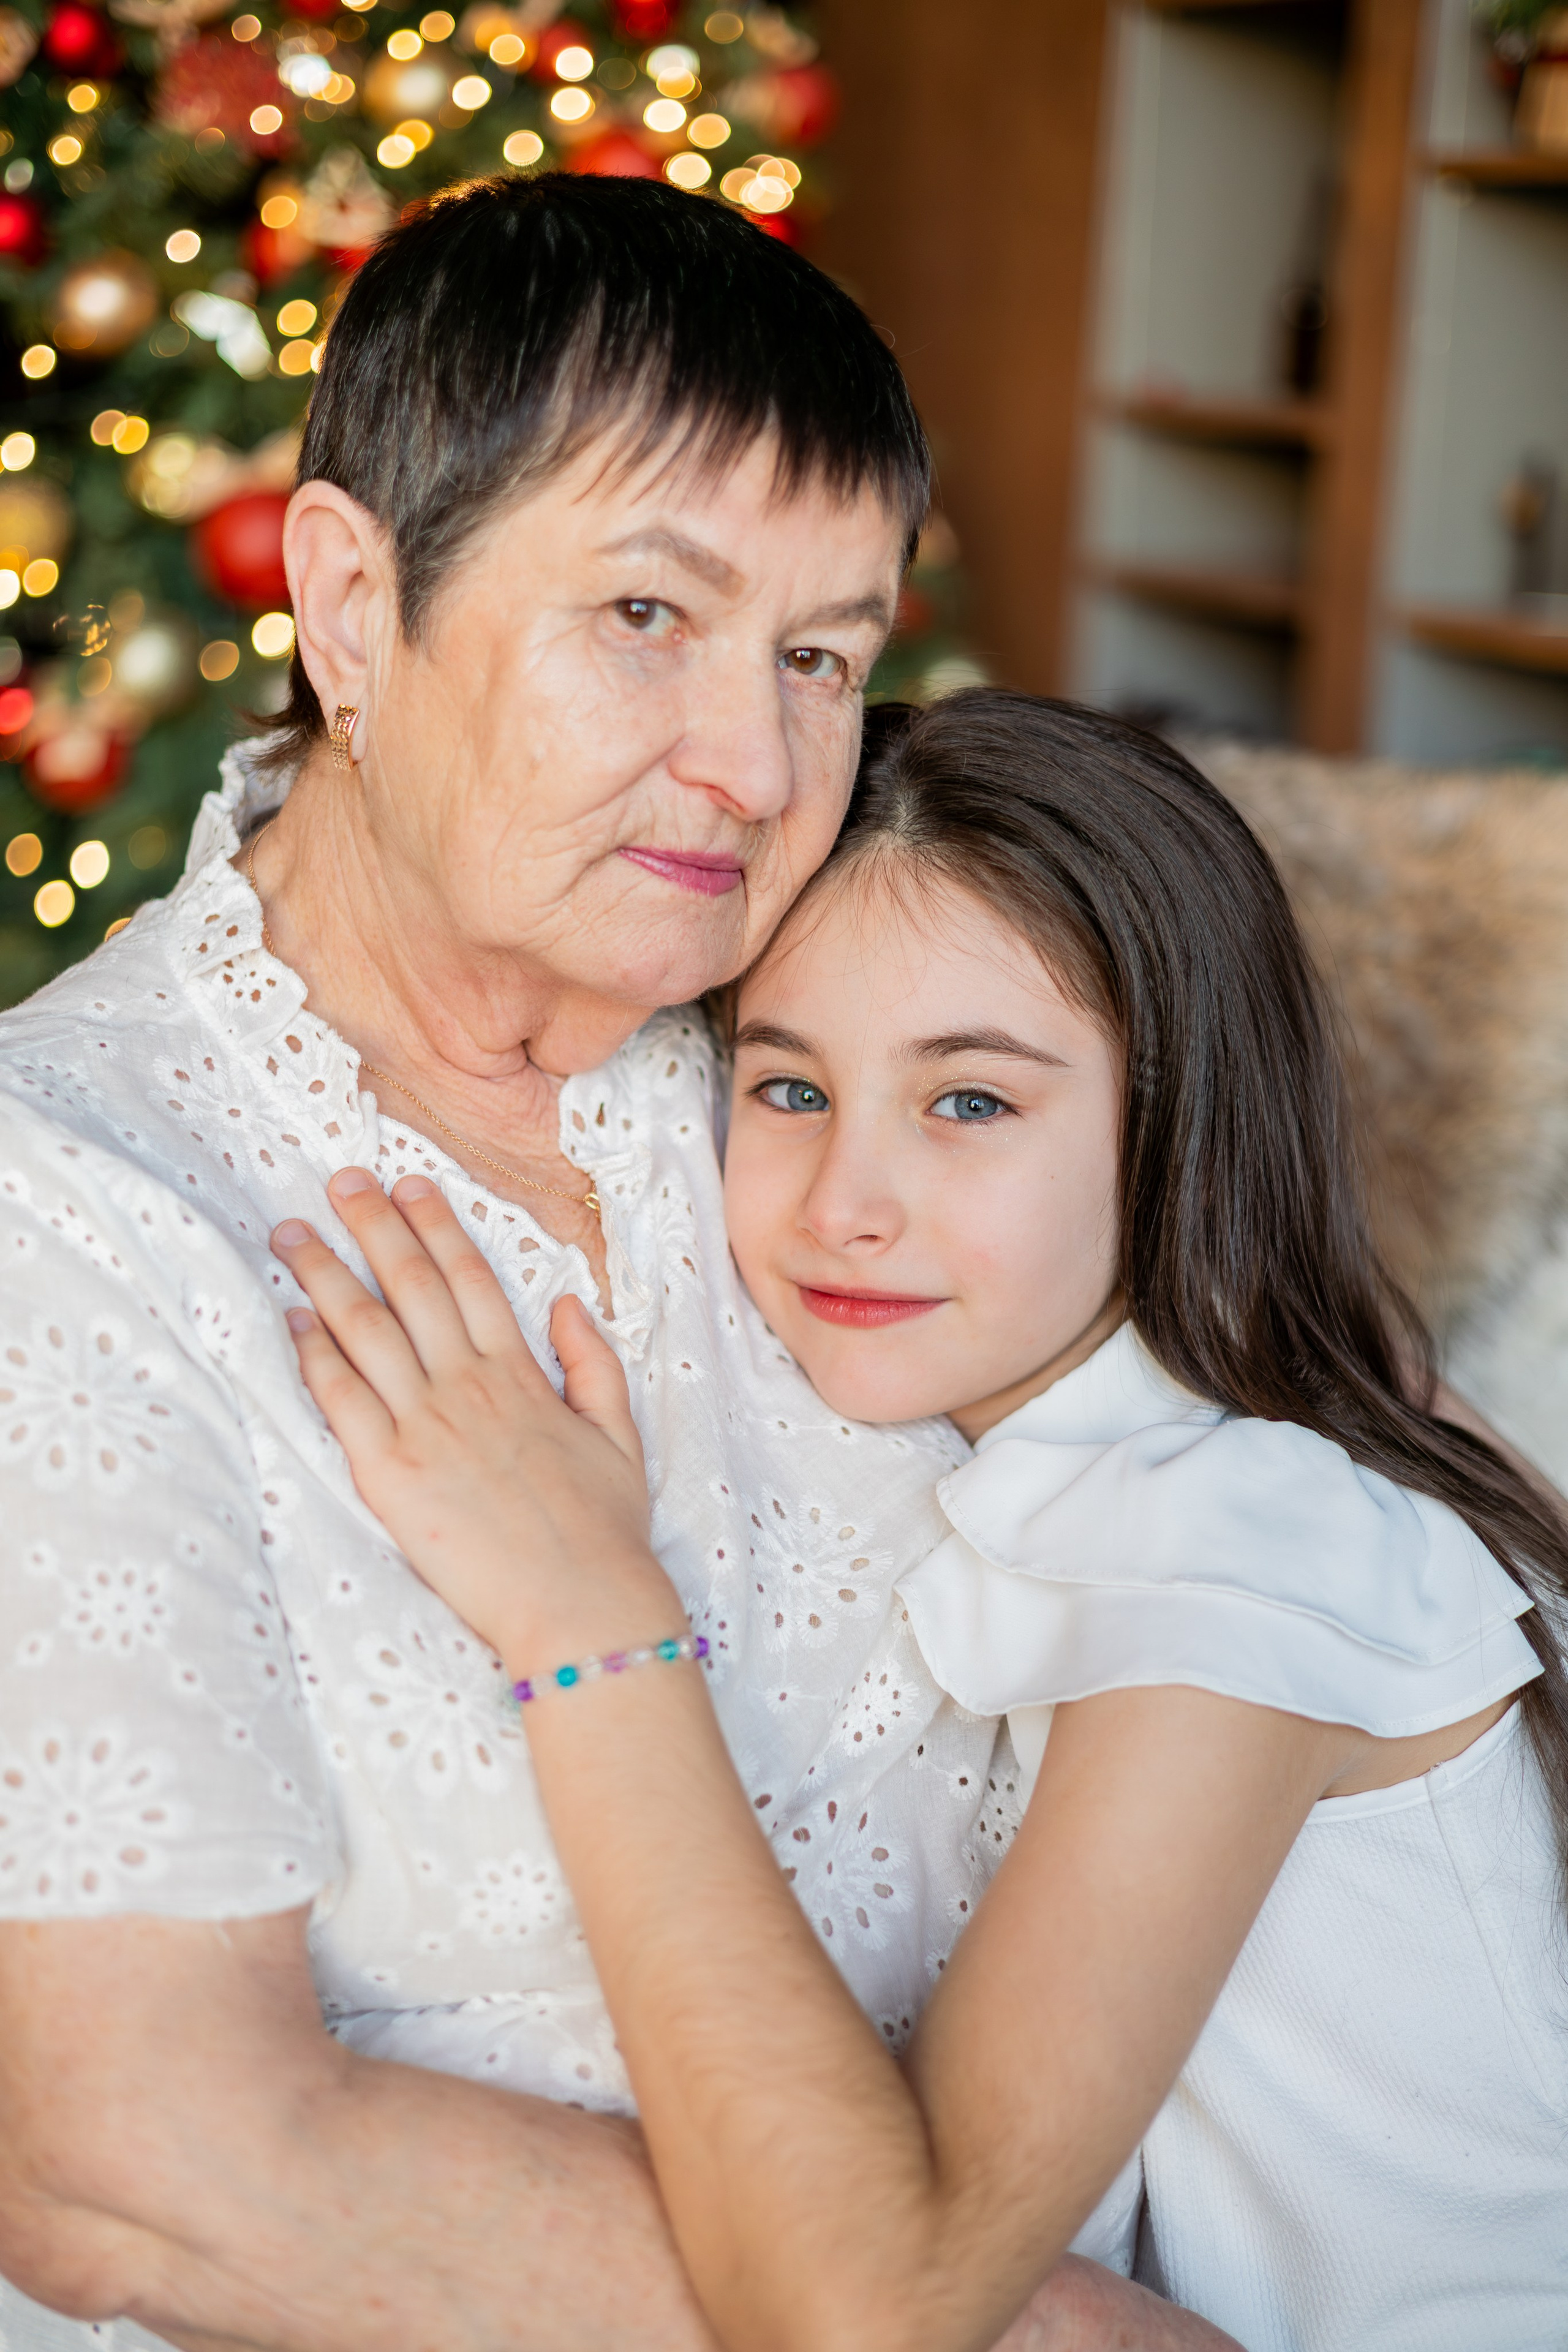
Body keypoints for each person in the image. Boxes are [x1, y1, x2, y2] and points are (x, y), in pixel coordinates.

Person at [0, 182, 1219, 2351]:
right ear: (354, 608)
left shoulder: (840, 1049)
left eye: (824, 656)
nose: (758, 771)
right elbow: (143, 2163)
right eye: (648, 614)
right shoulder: (70, 1199)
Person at [277, 691, 1568, 2352]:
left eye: (971, 1102)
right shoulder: (1197, 1438)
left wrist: (589, 1623)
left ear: (1176, 1122)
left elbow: (871, 2307)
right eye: (792, 1090)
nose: (846, 1206)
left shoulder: (1248, 1547)